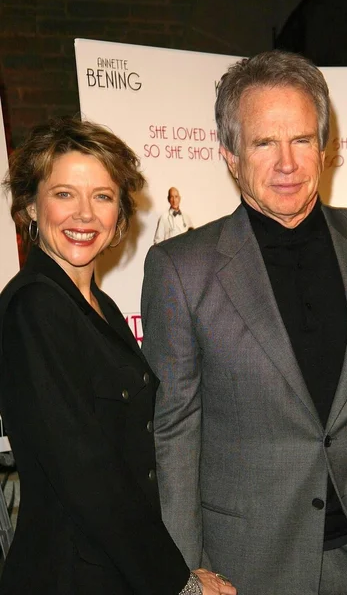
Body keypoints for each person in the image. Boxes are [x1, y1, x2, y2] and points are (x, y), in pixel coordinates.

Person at [141, 51, 347, 594]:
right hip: (249, 568)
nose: (287, 162)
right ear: (230, 156)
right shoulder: (182, 269)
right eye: (264, 143)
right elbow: (175, 432)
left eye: (302, 140)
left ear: (324, 149)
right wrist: (183, 573)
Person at [0, 117, 236, 595]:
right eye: (64, 194)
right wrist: (179, 584)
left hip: (113, 569)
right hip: (71, 574)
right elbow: (86, 474)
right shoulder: (35, 307)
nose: (84, 214)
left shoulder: (98, 305)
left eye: (102, 196)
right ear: (30, 206)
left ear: (119, 215)